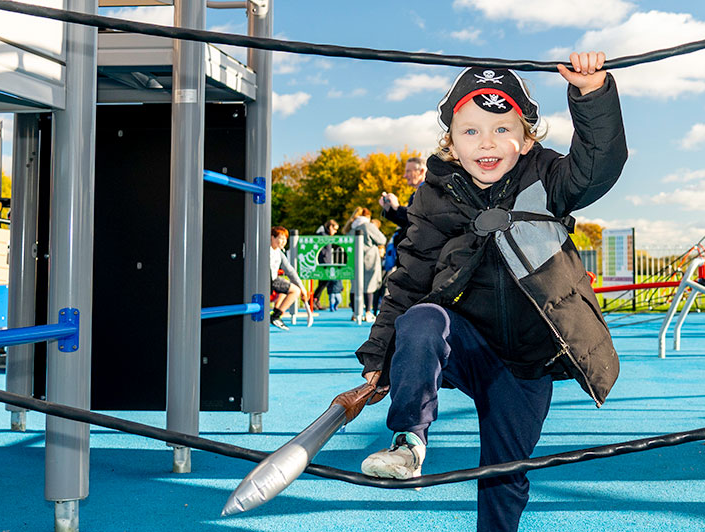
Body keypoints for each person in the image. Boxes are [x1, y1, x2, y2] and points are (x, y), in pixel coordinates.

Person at [355, 52, 626, 532]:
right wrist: (380, 355)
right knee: (420, 320)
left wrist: (592, 93)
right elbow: (410, 277)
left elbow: (598, 165)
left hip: (527, 361)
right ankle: (409, 442)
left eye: (503, 130)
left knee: (503, 473)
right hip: (469, 344)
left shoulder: (546, 178)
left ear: (525, 141)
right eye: (471, 131)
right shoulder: (436, 194)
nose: (487, 143)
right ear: (451, 143)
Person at [348, 208, 387, 319]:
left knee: (355, 286)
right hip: (368, 259)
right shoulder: (368, 226)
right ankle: (368, 312)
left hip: (354, 258)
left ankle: (355, 313)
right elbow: (382, 240)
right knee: (368, 286)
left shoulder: (352, 227)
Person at [268, 227, 304, 330]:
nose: (284, 242)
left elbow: (290, 270)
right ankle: (274, 316)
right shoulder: (265, 250)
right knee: (291, 290)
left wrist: (302, 288)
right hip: (266, 281)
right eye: (281, 238)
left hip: (274, 280)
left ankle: (276, 315)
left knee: (294, 290)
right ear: (272, 237)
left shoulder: (279, 252)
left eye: (285, 239)